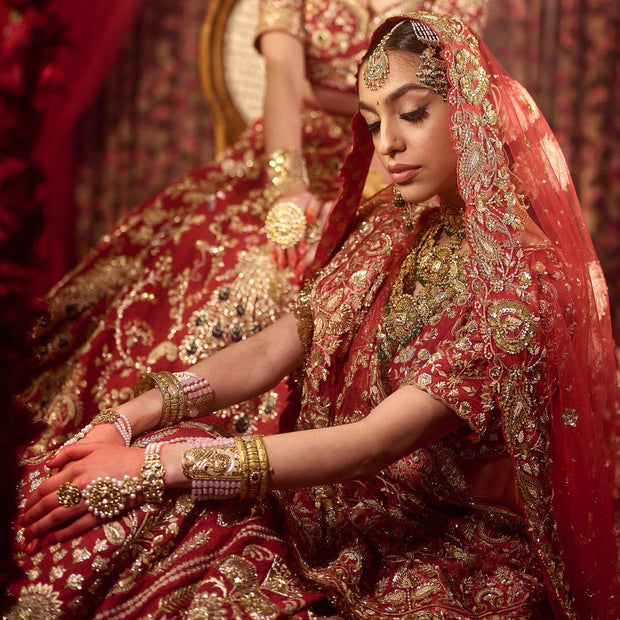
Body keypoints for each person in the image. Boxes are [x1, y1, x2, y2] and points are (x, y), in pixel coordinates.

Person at [10, 9, 618, 620]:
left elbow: (374, 443)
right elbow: (276, 345)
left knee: (156, 502)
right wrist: (129, 418)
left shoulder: (522, 285)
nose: (389, 144)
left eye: (412, 115)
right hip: (314, 500)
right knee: (95, 488)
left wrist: (154, 468)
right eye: (374, 122)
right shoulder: (392, 226)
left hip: (431, 547)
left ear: (472, 111)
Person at [19, 0, 489, 453]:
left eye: (409, 110)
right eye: (376, 117)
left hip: (392, 167)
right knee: (229, 253)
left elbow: (447, 95)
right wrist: (287, 188)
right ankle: (138, 422)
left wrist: (375, 172)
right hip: (301, 149)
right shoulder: (361, 138)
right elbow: (285, 78)